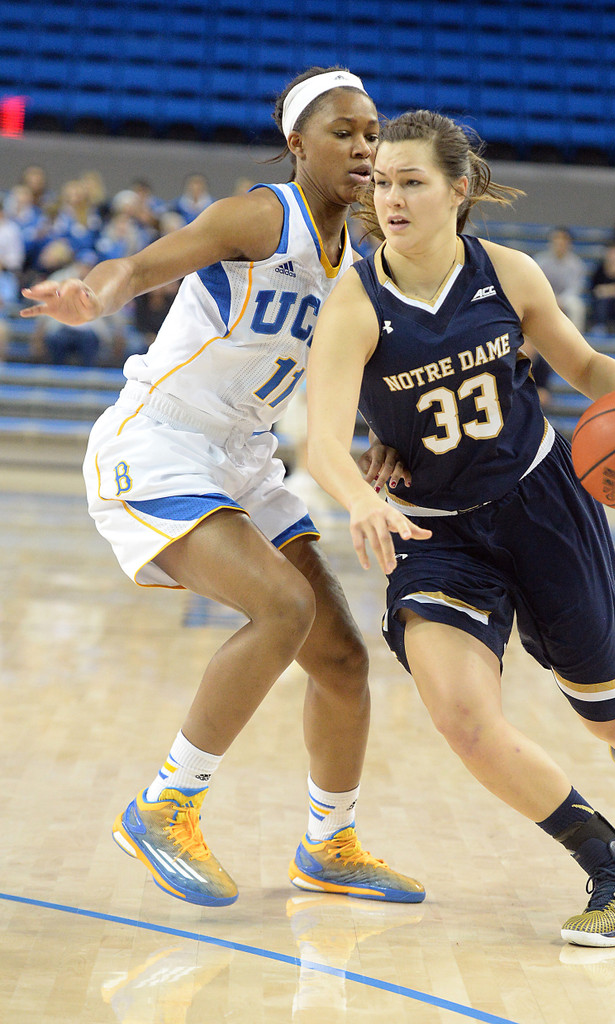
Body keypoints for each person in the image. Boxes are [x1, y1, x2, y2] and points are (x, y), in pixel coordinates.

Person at [20, 66, 424, 909]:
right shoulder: (260, 214)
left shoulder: (369, 262)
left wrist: (384, 440)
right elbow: (138, 265)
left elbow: (353, 375)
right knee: (283, 608)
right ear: (296, 144)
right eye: (343, 131)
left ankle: (330, 844)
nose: (362, 146)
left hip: (245, 456)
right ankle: (166, 804)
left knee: (344, 662)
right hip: (161, 439)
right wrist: (91, 294)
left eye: (372, 132)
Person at [306, 110, 615, 947]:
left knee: (614, 716)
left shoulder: (507, 273)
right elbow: (321, 440)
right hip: (438, 533)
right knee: (461, 714)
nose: (392, 197)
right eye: (382, 181)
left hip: (543, 505)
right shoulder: (356, 302)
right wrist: (361, 498)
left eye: (411, 181)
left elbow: (585, 363)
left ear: (460, 188)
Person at [535, 226, 586, 333]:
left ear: (569, 243)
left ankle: (576, 340)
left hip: (566, 299)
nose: (560, 243)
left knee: (577, 306)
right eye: (557, 239)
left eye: (563, 239)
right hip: (545, 297)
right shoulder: (541, 261)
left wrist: (561, 300)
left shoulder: (576, 264)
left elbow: (575, 287)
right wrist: (552, 299)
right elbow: (537, 285)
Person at [588, 240, 615, 335]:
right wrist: (612, 290)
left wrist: (607, 289)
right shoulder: (600, 268)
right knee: (602, 301)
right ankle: (599, 326)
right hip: (603, 302)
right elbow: (594, 288)